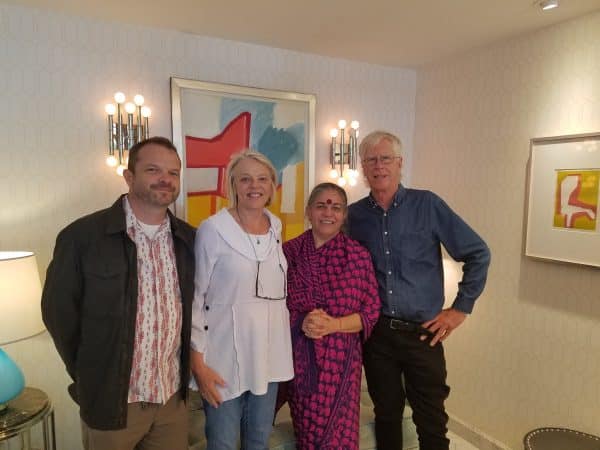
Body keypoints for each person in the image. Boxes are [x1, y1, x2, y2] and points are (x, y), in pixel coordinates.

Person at [41, 136, 196, 450]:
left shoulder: (189, 239)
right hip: (113, 404)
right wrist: (90, 376)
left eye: (173, 172)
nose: (165, 179)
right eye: (153, 170)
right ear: (129, 177)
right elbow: (59, 317)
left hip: (171, 403)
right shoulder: (82, 238)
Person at [347, 131, 491, 450]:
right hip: (377, 334)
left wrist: (459, 309)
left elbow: (478, 253)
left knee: (431, 418)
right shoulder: (354, 216)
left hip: (424, 333)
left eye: (386, 158)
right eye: (371, 160)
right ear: (363, 167)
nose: (378, 166)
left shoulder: (427, 204)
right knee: (386, 414)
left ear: (400, 163)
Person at [190, 149, 293, 450]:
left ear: (272, 186)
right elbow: (196, 298)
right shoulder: (212, 229)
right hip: (222, 357)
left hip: (267, 354)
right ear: (232, 185)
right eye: (245, 179)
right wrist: (198, 363)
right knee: (222, 442)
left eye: (262, 179)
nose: (254, 186)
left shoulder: (276, 227)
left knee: (259, 440)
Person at [282, 182, 380, 449]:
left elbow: (371, 312)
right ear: (309, 212)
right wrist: (303, 321)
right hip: (302, 361)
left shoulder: (358, 257)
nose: (328, 212)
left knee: (342, 436)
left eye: (336, 207)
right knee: (309, 435)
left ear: (344, 215)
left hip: (342, 363)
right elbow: (274, 306)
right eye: (321, 205)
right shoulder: (288, 253)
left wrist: (332, 324)